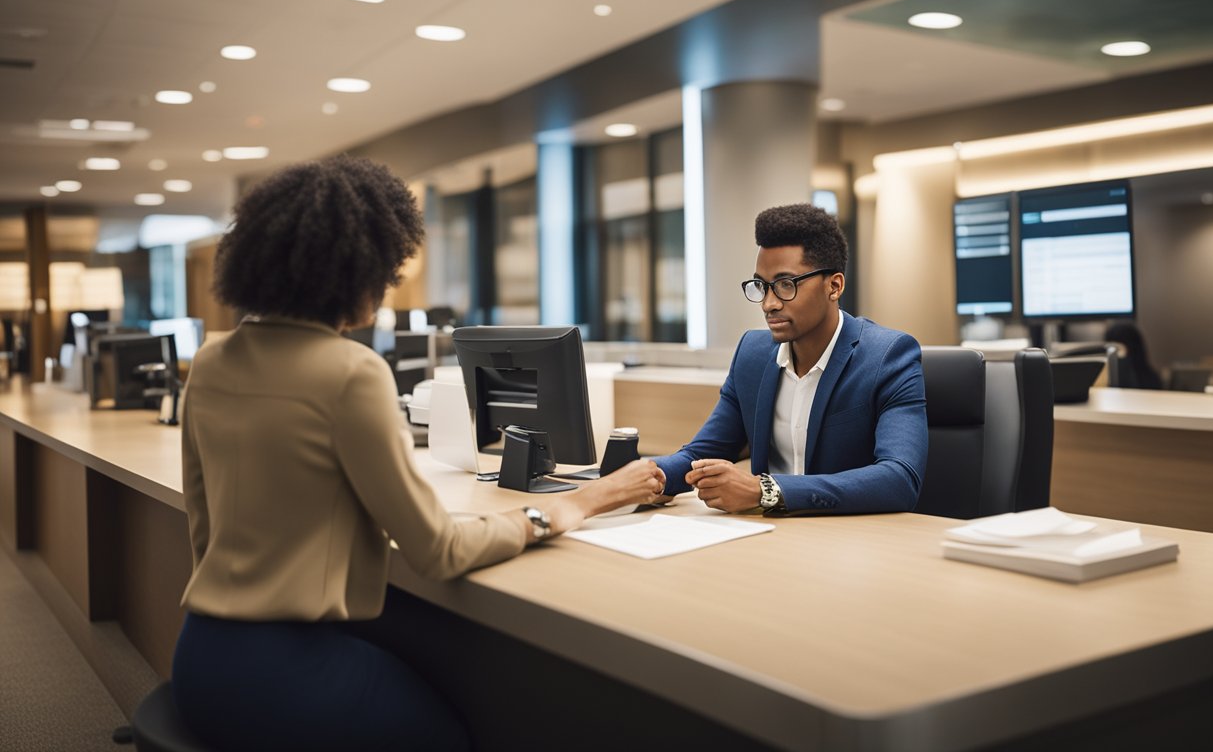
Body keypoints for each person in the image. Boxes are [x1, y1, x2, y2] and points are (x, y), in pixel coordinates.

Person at [172, 156, 664, 752]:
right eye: (383, 270)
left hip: (200, 660)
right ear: (350, 268)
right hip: (287, 672)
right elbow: (438, 551)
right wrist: (577, 505)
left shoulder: (211, 361)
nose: (386, 287)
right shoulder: (351, 371)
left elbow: (205, 531)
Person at [653, 203, 928, 514]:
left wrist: (766, 490)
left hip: (853, 545)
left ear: (834, 286)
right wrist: (651, 477)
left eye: (786, 285)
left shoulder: (888, 356)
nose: (769, 304)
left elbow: (900, 479)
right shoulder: (752, 355)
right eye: (762, 286)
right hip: (769, 537)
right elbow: (701, 452)